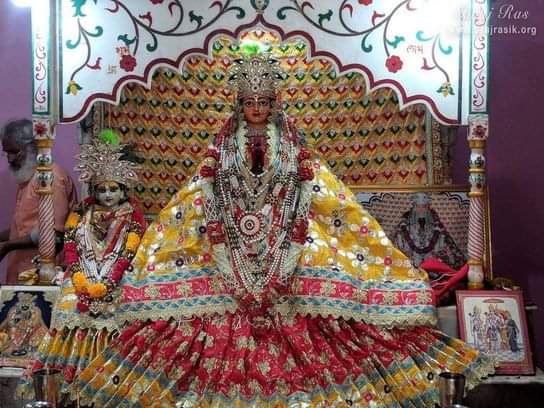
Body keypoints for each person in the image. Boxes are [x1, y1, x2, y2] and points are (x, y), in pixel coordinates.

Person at [76, 54, 494, 407]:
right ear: (240, 105)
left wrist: (291, 196)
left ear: (273, 102)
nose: (257, 108)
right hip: (231, 233)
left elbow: (302, 176)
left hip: (286, 230)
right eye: (250, 102)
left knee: (329, 249)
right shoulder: (224, 144)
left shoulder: (289, 140)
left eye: (263, 101)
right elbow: (212, 178)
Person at [17, 139, 146, 400]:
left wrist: (111, 274)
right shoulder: (82, 214)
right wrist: (82, 273)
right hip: (82, 274)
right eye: (102, 190)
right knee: (69, 302)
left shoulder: (132, 216)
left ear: (123, 190)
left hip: (118, 276)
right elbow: (73, 245)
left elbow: (132, 252)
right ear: (94, 191)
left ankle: (110, 386)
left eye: (113, 189)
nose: (108, 195)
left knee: (125, 305)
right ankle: (69, 384)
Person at [0, 119, 78, 284]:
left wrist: (7, 246)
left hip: (44, 272)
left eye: (14, 151)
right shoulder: (28, 177)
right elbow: (23, 227)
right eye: (6, 152)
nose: (10, 158)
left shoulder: (52, 177)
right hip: (20, 270)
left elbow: (53, 233)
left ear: (33, 147)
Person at [393, 193, 466, 270]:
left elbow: (444, 244)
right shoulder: (404, 225)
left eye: (423, 206)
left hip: (431, 257)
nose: (420, 209)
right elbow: (398, 244)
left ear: (427, 208)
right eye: (418, 206)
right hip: (411, 258)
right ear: (414, 207)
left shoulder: (436, 224)